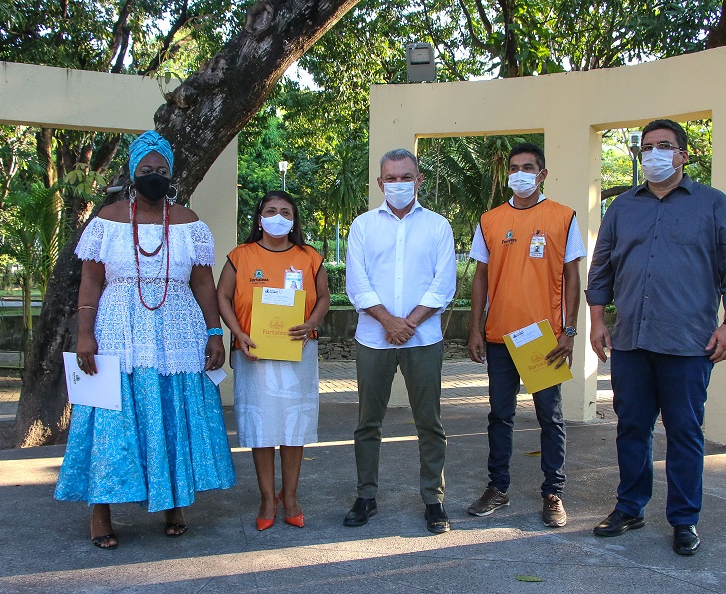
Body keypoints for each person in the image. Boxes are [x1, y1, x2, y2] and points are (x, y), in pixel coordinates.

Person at [55, 131, 236, 550]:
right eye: (146, 169)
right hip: (118, 329)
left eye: (162, 170)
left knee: (171, 410)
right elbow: (90, 280)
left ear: (171, 174)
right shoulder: (107, 218)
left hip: (177, 330)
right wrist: (85, 334)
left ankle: (173, 503)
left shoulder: (189, 222)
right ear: (133, 173)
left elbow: (204, 284)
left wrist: (215, 334)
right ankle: (101, 512)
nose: (154, 175)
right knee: (110, 414)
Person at [586, 119, 726, 556]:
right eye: (646, 147)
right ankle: (630, 506)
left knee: (684, 432)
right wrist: (598, 320)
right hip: (631, 342)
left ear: (683, 154)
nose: (654, 154)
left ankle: (684, 519)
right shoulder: (622, 207)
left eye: (664, 146)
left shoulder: (714, 205)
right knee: (632, 428)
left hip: (689, 343)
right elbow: (602, 267)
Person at [466, 143, 586, 528]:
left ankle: (554, 493)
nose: (520, 173)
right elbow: (480, 278)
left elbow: (572, 277)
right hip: (500, 336)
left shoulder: (562, 217)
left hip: (542, 338)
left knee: (550, 418)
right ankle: (497, 488)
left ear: (542, 174)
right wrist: (475, 330)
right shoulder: (490, 220)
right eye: (514, 168)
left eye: (528, 167)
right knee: (500, 416)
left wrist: (569, 331)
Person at [343, 148, 457, 534]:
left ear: (419, 180)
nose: (398, 184)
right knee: (367, 422)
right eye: (390, 178)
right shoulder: (362, 226)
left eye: (405, 177)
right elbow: (357, 283)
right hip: (373, 339)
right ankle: (366, 495)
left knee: (429, 422)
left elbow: (444, 283)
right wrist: (388, 322)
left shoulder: (439, 226)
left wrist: (407, 323)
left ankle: (433, 500)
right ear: (379, 183)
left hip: (422, 339)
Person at [217, 190, 330, 531]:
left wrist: (312, 322)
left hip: (298, 353)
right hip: (253, 353)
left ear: (294, 219)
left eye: (285, 211)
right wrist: (238, 333)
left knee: (294, 428)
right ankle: (268, 497)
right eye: (271, 210)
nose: (278, 216)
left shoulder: (310, 256)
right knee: (262, 428)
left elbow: (323, 296)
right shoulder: (241, 255)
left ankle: (291, 496)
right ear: (259, 217)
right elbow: (222, 295)